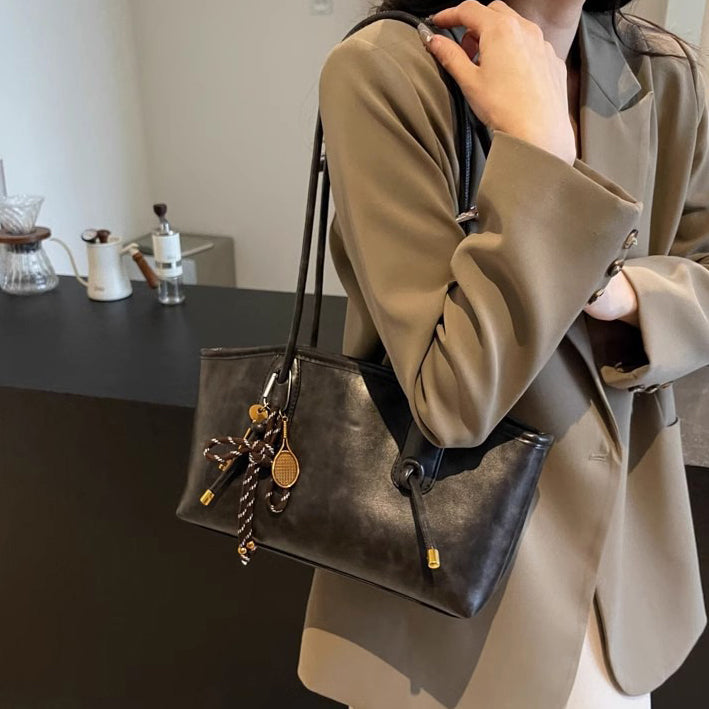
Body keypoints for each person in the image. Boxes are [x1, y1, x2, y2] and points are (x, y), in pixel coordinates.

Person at [297, 1, 709, 707]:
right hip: (449, 607)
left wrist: (631, 294)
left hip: (620, 583)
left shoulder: (662, 73)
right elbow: (450, 396)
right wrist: (540, 157)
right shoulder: (386, 72)